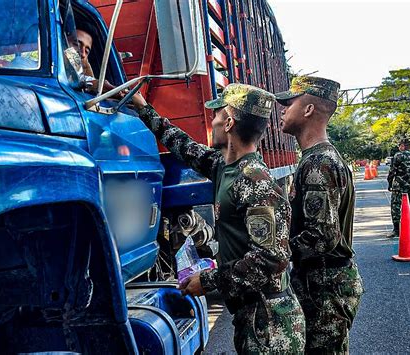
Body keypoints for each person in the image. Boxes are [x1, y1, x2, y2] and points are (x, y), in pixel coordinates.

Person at [130, 84, 306, 354]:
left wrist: (209, 280)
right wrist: (143, 108)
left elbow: (271, 260)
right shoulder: (225, 167)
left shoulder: (256, 182)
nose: (212, 121)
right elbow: (184, 146)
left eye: (217, 115)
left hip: (270, 324)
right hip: (253, 314)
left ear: (229, 122)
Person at [276, 76, 364, 354]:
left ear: (308, 110)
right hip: (324, 284)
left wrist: (274, 252)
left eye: (288, 103)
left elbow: (322, 238)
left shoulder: (319, 163)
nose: (282, 109)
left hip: (325, 288)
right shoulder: (318, 158)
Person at [386, 138, 410, 238]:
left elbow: (392, 172)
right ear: (409, 146)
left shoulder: (398, 155)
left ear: (402, 145)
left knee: (396, 207)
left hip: (399, 186)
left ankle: (396, 230)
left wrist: (389, 183)